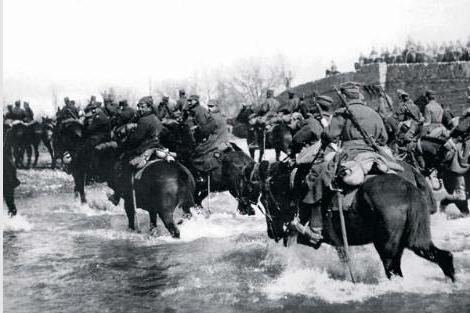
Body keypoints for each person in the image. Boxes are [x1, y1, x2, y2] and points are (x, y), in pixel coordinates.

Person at [291, 81, 388, 248]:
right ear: (358, 95)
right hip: (372, 154)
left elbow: (329, 135)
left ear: (344, 96)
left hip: (350, 154)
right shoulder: (373, 113)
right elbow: (384, 138)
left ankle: (316, 228)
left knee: (318, 177)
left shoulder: (343, 113)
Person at [108, 96, 164, 205]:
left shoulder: (144, 120)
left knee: (124, 164)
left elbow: (136, 139)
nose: (140, 109)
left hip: (144, 148)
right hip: (158, 147)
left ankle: (118, 195)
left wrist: (125, 144)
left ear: (149, 107)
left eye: (142, 107)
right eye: (139, 107)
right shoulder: (156, 118)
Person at [191, 99, 231, 183]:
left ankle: (200, 178)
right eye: (208, 106)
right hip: (225, 142)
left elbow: (204, 131)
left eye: (211, 106)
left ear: (217, 106)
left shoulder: (212, 118)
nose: (209, 108)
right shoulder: (221, 116)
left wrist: (197, 129)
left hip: (215, 142)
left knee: (195, 154)